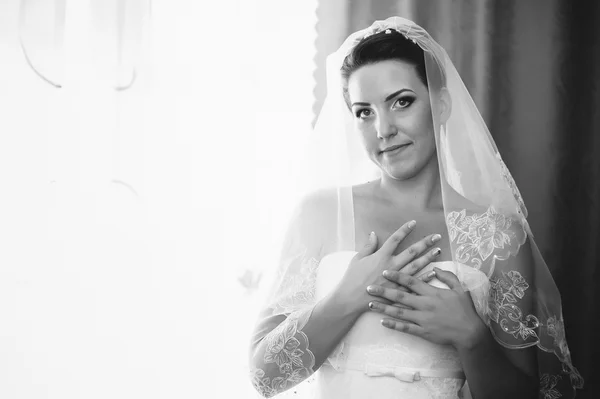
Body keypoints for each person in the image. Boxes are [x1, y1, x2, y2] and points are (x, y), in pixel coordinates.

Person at [248, 17, 583, 399]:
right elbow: (265, 377)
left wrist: (470, 337)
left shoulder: (498, 237)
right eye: (364, 112)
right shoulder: (320, 214)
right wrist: (349, 296)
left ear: (440, 105)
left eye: (401, 102)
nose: (383, 130)